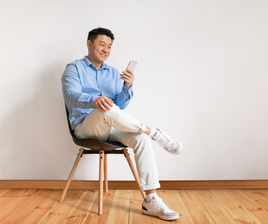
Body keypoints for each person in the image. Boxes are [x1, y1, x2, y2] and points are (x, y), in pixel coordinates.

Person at [62, 27, 183, 221]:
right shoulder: (74, 68)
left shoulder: (113, 73)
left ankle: (150, 199)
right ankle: (154, 131)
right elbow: (71, 97)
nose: (106, 50)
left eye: (109, 46)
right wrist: (95, 100)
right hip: (84, 126)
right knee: (105, 106)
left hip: (109, 124)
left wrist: (127, 87)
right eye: (102, 44)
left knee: (141, 139)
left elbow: (118, 107)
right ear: (89, 44)